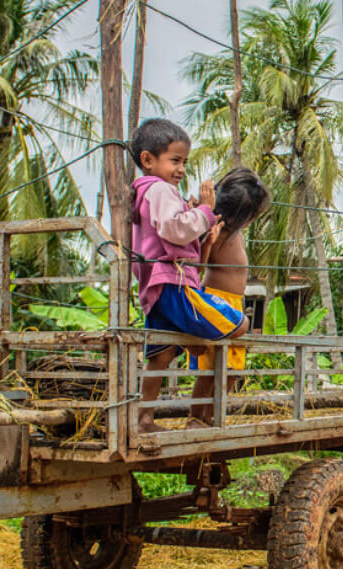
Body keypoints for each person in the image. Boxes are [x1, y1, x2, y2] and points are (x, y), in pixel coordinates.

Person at [126, 118, 248, 433]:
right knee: (239, 324)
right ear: (148, 160)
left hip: (158, 287)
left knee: (161, 356)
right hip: (173, 285)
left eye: (184, 162)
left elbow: (178, 237)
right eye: (175, 160)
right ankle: (203, 413)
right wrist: (205, 211)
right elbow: (175, 229)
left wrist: (201, 230)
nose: (181, 169)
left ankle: (144, 419)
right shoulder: (161, 190)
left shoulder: (147, 193)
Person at [187, 167, 271, 427]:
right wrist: (208, 240)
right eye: (250, 216)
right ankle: (195, 417)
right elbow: (198, 267)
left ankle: (212, 415)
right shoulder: (214, 228)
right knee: (209, 369)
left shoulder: (237, 232)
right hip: (214, 301)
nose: (250, 222)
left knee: (232, 370)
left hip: (234, 305)